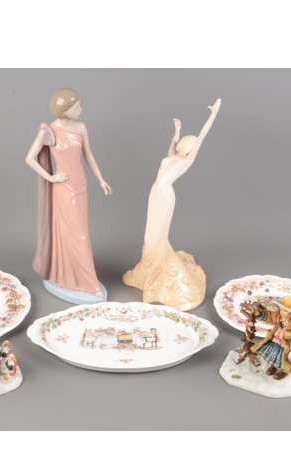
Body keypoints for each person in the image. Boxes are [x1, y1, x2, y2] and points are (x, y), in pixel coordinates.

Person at [123, 99, 221, 311]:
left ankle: (162, 277)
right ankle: (146, 272)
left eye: (187, 141)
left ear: (190, 148)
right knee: (149, 235)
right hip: (155, 193)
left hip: (166, 195)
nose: (183, 142)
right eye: (183, 140)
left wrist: (212, 115)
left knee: (158, 236)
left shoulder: (185, 161)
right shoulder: (173, 156)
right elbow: (171, 146)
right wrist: (177, 130)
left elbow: (202, 137)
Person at [26, 88, 111, 301]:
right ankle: (89, 284)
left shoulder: (81, 127)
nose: (80, 110)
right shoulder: (49, 131)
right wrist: (51, 177)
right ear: (65, 111)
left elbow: (88, 155)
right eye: (76, 107)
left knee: (80, 231)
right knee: (76, 234)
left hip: (80, 184)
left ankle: (70, 276)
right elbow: (29, 158)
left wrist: (101, 180)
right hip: (63, 188)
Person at [250, 296, 291, 380]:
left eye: (286, 311)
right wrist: (260, 314)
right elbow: (269, 316)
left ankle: (284, 371)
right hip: (274, 342)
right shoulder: (279, 317)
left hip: (285, 347)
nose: (282, 312)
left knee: (284, 360)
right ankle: (273, 366)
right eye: (281, 309)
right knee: (273, 356)